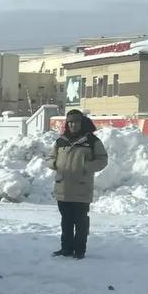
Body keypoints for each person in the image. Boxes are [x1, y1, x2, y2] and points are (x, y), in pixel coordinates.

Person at [48, 109, 108, 259]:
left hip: (81, 188)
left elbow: (102, 160)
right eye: (70, 123)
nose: (73, 125)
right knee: (66, 221)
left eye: (76, 122)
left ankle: (79, 250)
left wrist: (85, 166)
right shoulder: (61, 141)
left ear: (82, 123)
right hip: (63, 188)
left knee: (80, 221)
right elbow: (49, 158)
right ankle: (66, 248)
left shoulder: (92, 141)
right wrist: (55, 163)